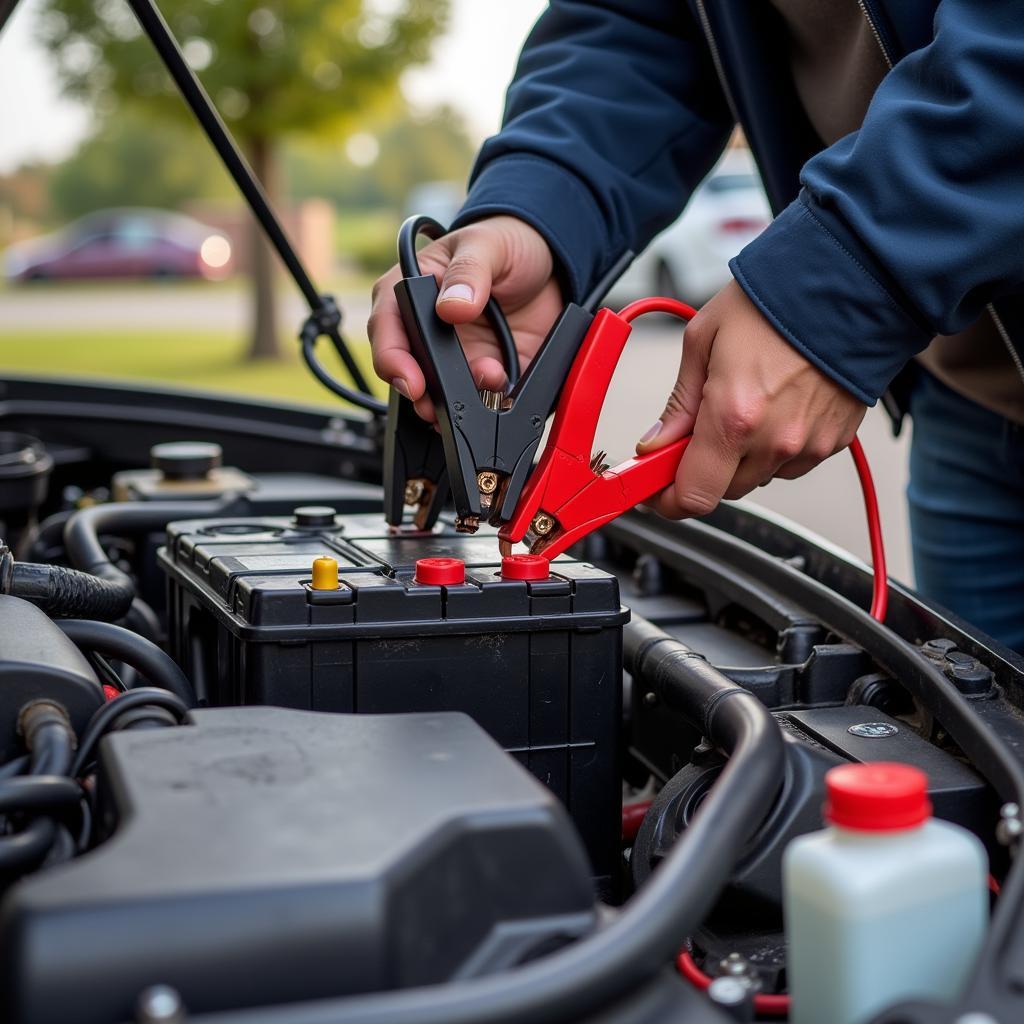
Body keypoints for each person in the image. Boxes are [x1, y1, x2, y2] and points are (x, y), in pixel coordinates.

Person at [368, 1, 1024, 651]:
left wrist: (852, 276)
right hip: (968, 393)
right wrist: (537, 207)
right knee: (984, 733)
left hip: (944, 340)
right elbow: (640, 25)